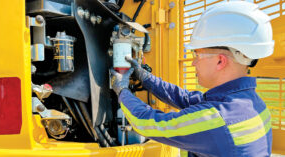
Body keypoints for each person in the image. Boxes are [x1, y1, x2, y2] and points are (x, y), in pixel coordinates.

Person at [110, 1, 274, 157]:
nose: (193, 62)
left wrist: (122, 90)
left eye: (197, 54)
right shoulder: (251, 103)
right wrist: (145, 78)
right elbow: (185, 98)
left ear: (220, 61)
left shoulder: (218, 119)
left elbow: (148, 123)